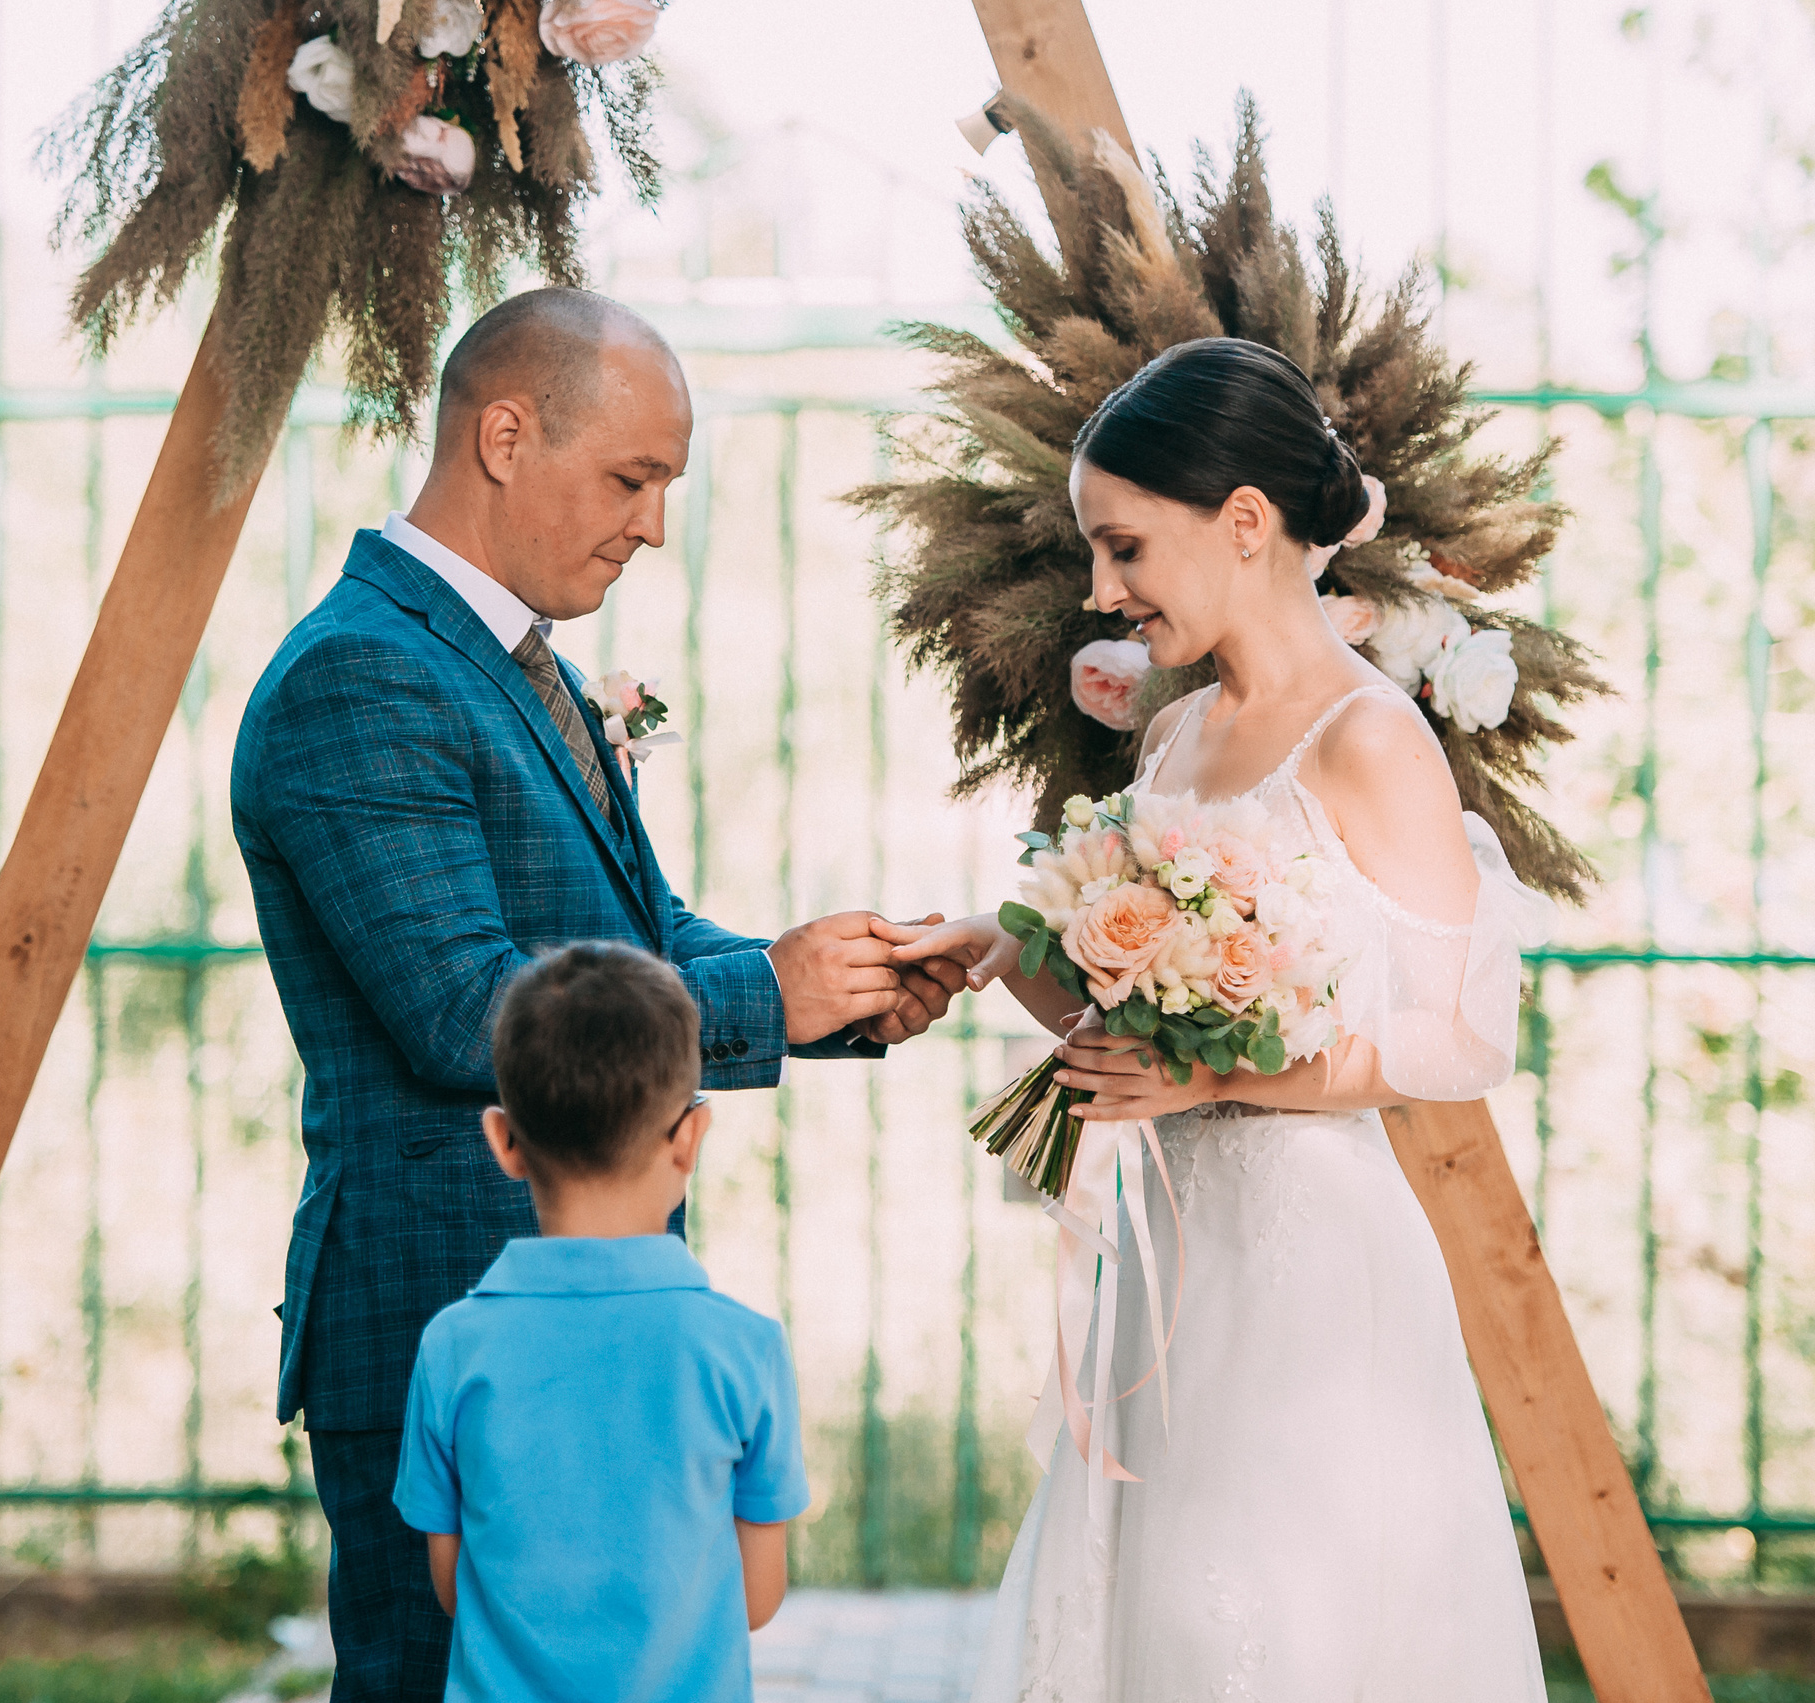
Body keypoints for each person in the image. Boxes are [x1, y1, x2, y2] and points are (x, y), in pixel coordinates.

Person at [231, 287, 964, 1700]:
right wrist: (764, 995)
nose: (652, 524)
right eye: (634, 477)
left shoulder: (517, 666)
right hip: (447, 1302)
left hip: (593, 1310)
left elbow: (633, 934)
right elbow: (468, 1011)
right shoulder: (361, 680)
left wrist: (838, 985)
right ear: (505, 433)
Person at [884, 338, 1554, 1701]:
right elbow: (1128, 1009)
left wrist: (1218, 1084)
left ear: (1244, 522)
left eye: (1124, 546)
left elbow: (1461, 1037)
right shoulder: (1176, 738)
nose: (1101, 587)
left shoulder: (1371, 739)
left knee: (1273, 1630)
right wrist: (998, 943)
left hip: (1310, 1278)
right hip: (1174, 1265)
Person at [394, 942, 807, 1702]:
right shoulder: (744, 1349)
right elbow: (756, 1597)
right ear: (690, 1136)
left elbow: (453, 1588)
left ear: (503, 1139)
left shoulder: (452, 1346)